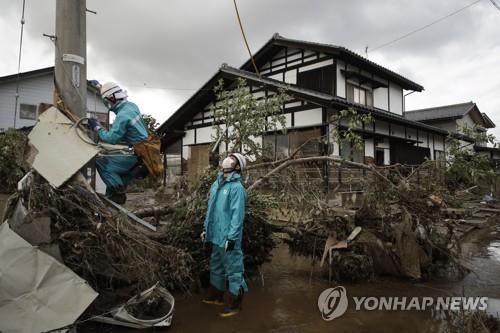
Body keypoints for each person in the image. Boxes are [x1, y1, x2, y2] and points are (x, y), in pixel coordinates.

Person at [201, 153, 248, 318]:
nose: (228, 159)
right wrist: (206, 229)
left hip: (228, 237)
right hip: (215, 235)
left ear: (237, 166)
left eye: (233, 159)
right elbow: (211, 210)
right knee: (216, 265)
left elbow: (237, 216)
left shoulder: (237, 188)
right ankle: (217, 296)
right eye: (228, 156)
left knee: (234, 270)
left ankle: (236, 305)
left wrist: (232, 238)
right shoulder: (216, 184)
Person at [87, 82, 149, 204]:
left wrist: (97, 127)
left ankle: (118, 194)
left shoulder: (123, 116)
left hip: (136, 155)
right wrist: (100, 87)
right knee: (118, 176)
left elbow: (111, 139)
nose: (107, 104)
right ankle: (115, 203)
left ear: (112, 98)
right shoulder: (132, 106)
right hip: (145, 155)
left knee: (101, 161)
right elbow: (112, 94)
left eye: (107, 101)